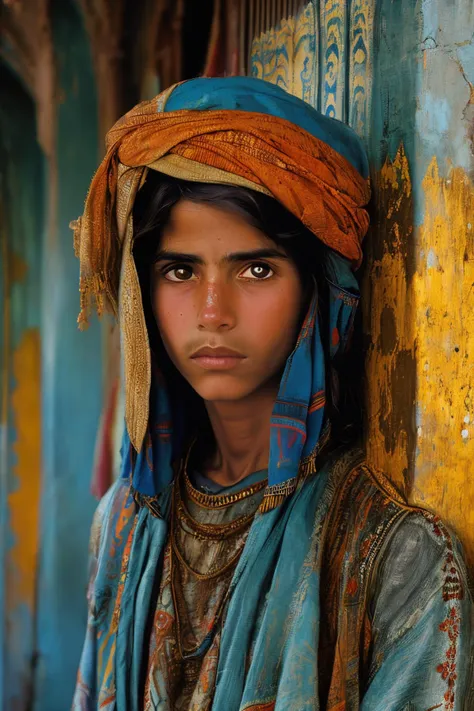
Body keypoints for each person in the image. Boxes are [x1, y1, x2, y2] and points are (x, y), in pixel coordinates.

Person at [71, 77, 473, 711]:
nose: (212, 311)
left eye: (255, 268)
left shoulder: (396, 558)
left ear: (318, 290)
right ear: (140, 296)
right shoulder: (122, 524)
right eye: (180, 270)